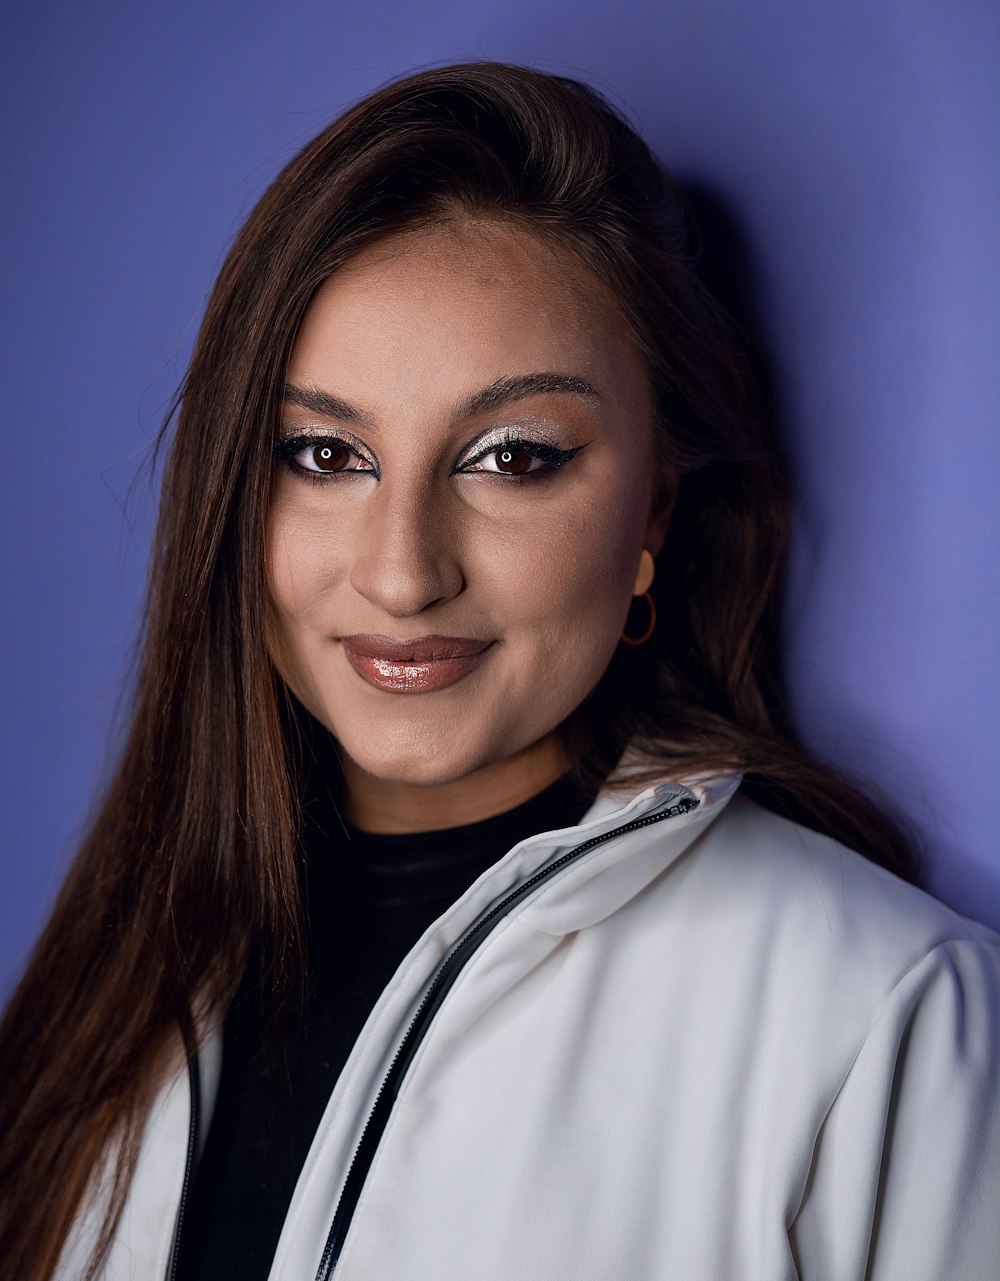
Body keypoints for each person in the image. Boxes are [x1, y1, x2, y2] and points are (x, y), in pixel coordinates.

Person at [1, 61, 998, 1281]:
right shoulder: (125, 977)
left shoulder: (885, 1013)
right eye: (324, 453)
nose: (404, 573)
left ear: (650, 516)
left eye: (512, 457)